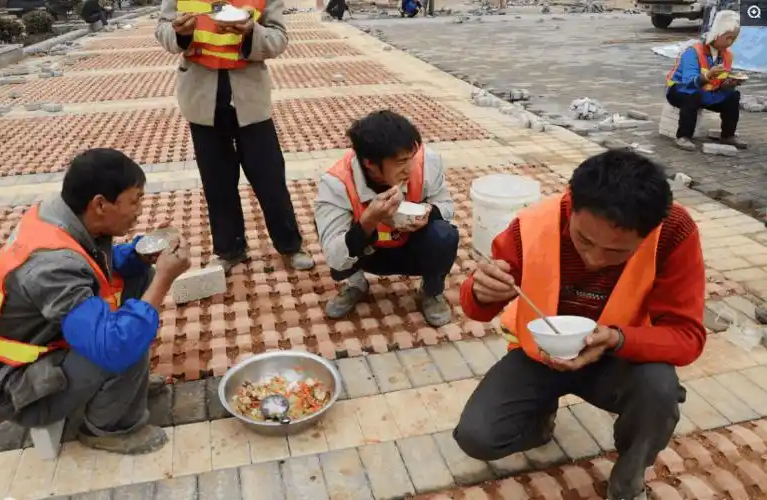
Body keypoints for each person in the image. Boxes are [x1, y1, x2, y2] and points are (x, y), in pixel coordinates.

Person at [453, 150, 706, 500]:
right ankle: (540, 422)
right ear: (571, 206)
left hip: (620, 357)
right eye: (584, 240)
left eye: (617, 252)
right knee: (476, 437)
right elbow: (475, 308)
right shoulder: (534, 223)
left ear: (647, 233)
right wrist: (481, 291)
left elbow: (687, 336)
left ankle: (628, 479)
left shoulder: (673, 232)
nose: (594, 258)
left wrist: (617, 339)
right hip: (541, 355)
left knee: (659, 390)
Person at [0, 149, 191, 455]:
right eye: (135, 200)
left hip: (44, 346)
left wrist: (136, 256)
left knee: (138, 276)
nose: (139, 210)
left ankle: (120, 391)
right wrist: (164, 280)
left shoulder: (62, 216)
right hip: (18, 391)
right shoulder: (52, 265)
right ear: (100, 204)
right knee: (125, 343)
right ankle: (108, 428)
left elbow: (93, 264)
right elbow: (115, 345)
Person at [155, 0, 314, 273]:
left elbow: (278, 38)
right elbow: (162, 29)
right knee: (217, 180)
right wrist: (181, 34)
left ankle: (290, 245)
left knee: (270, 178)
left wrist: (252, 31)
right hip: (201, 97)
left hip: (250, 99)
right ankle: (230, 249)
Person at [314, 110, 458, 327]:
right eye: (401, 162)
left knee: (444, 234)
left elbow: (447, 206)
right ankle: (355, 284)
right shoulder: (336, 184)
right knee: (333, 236)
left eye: (411, 157)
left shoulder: (427, 163)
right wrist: (368, 221)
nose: (409, 169)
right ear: (370, 163)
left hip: (410, 247)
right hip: (370, 254)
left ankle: (431, 291)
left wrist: (429, 211)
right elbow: (334, 256)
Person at [665, 10, 746, 151]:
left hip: (707, 92)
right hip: (679, 89)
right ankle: (683, 136)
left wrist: (729, 84)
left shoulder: (727, 55)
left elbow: (719, 82)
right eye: (728, 37)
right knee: (693, 94)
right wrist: (708, 75)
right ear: (717, 34)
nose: (730, 42)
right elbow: (689, 83)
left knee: (733, 96)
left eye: (734, 38)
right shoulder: (693, 51)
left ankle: (728, 136)